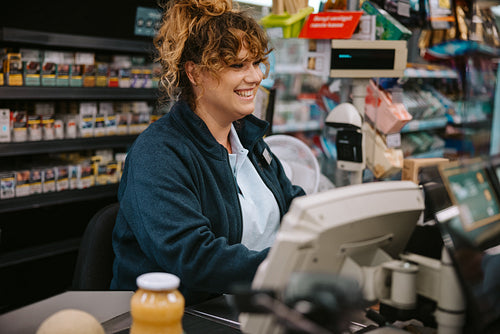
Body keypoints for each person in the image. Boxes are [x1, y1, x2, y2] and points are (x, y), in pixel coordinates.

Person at [110, 0, 305, 305]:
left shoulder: (250, 140)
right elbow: (194, 257)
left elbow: (295, 205)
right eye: (237, 65)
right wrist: (287, 268)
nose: (254, 77)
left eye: (256, 63)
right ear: (195, 73)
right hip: (177, 316)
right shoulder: (158, 154)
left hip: (256, 305)